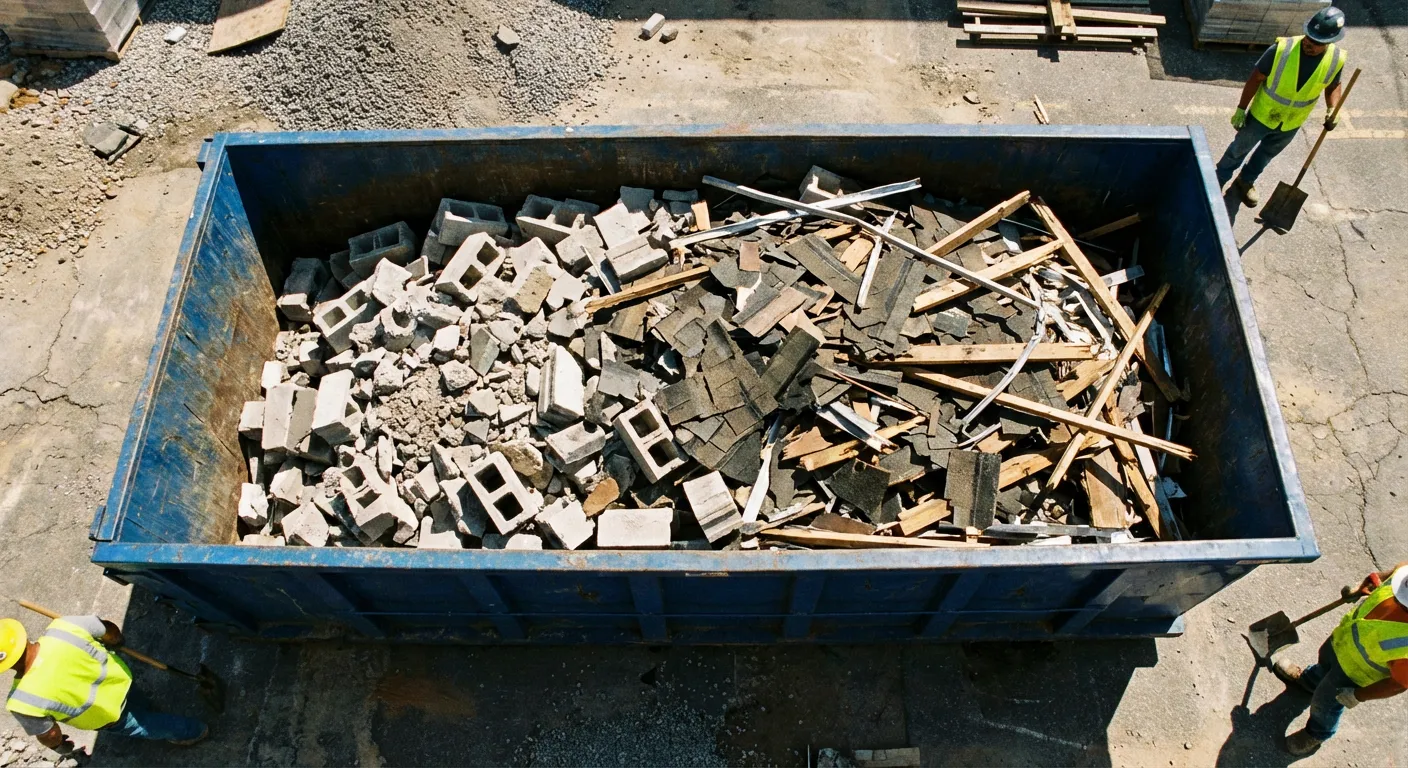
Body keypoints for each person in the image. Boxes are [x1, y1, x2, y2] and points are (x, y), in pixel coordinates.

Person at [0, 614, 208, 756]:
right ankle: (149, 708)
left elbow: (50, 734)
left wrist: (60, 746)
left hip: (109, 715)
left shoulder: (21, 702)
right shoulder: (63, 627)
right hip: (121, 680)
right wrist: (115, 639)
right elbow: (106, 628)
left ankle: (194, 731)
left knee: (149, 725)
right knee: (139, 703)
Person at [1272, 561, 1408, 756]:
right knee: (1324, 662)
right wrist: (1370, 582)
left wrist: (1358, 695)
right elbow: (1395, 572)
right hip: (1342, 640)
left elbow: (1399, 684)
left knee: (1326, 702)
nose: (1397, 599)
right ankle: (1309, 682)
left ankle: (1317, 733)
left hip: (1353, 674)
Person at [1216, 8, 1348, 207]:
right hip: (1262, 115)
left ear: (1330, 42)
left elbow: (1333, 85)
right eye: (1308, 37)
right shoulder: (1282, 49)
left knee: (1266, 155)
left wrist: (1332, 108)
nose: (1308, 44)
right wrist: (1241, 109)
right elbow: (1255, 78)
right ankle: (1218, 179)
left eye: (1316, 43)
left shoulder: (1336, 58)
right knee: (1238, 150)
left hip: (1291, 122)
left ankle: (1245, 181)